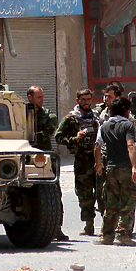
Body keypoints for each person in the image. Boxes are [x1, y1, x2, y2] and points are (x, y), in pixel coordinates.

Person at [55, 88, 102, 236]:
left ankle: (108, 224)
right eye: (83, 100)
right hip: (82, 160)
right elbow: (58, 137)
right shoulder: (70, 119)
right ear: (78, 101)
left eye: (89, 99)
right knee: (84, 193)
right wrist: (74, 139)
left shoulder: (97, 117)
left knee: (103, 191)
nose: (87, 102)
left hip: (98, 158)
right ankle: (89, 224)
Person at [94, 97, 136, 246]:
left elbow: (97, 146)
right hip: (125, 168)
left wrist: (99, 164)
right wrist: (134, 167)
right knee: (128, 200)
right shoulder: (128, 125)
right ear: (126, 111)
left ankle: (106, 235)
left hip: (110, 168)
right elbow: (131, 146)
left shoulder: (104, 126)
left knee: (111, 202)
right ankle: (122, 234)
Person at [26, 86, 68, 242]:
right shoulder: (20, 114)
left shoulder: (49, 115)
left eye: (42, 97)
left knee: (53, 193)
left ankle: (56, 228)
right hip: (24, 158)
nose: (41, 100)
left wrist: (28, 136)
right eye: (38, 97)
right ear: (30, 97)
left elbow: (46, 135)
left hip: (44, 158)